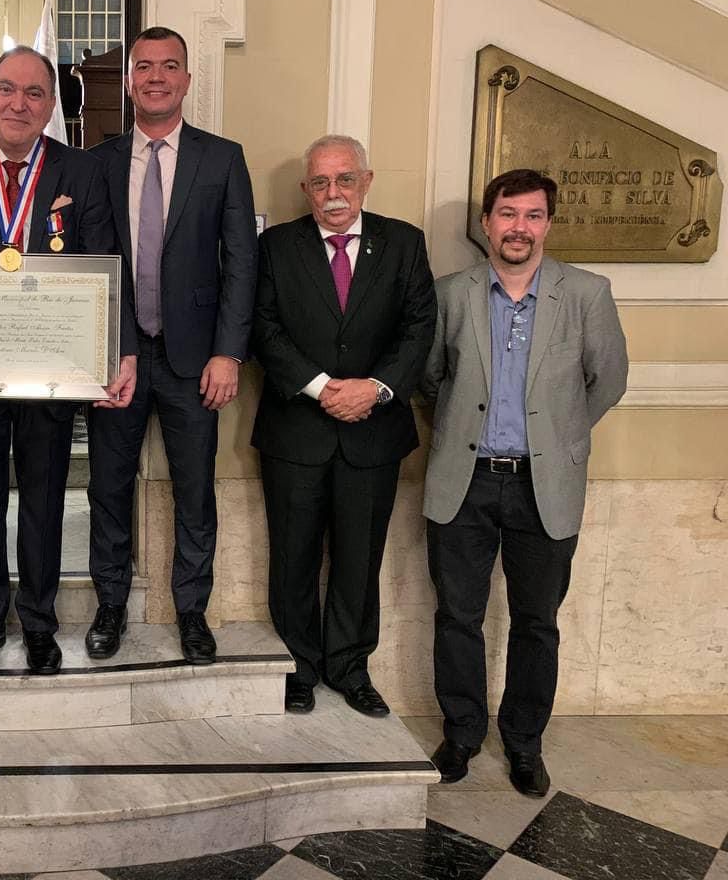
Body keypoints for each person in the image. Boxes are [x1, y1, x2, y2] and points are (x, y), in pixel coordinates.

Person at [0, 45, 137, 677]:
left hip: (53, 365)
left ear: (50, 104)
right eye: (7, 89)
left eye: (34, 93)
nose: (19, 103)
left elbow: (105, 262)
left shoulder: (81, 169)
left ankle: (39, 623)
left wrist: (117, 351)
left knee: (44, 501)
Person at [421, 168, 628, 796]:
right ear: (487, 223)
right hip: (465, 481)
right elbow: (429, 379)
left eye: (533, 215)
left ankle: (524, 743)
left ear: (548, 224)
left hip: (545, 487)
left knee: (536, 621)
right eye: (508, 214)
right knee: (457, 616)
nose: (520, 227)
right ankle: (461, 734)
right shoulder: (450, 294)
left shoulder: (587, 293)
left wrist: (554, 440)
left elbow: (608, 380)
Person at [84, 26, 257, 664]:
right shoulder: (98, 162)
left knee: (195, 492)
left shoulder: (222, 159)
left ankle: (191, 611)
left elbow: (242, 262)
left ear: (186, 78)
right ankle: (109, 605)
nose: (156, 77)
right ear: (130, 80)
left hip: (195, 360)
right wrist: (109, 349)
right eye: (144, 66)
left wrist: (228, 352)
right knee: (108, 487)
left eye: (169, 66)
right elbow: (90, 264)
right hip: (118, 358)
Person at [251, 134, 436, 718]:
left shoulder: (404, 243)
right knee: (293, 559)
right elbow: (263, 327)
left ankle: (351, 669)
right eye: (320, 182)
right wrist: (321, 387)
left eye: (345, 179)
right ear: (306, 189)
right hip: (295, 431)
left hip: (373, 433)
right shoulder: (275, 247)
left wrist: (373, 389)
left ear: (366, 181)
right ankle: (298, 669)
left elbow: (419, 328)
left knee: (359, 559)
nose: (333, 193)